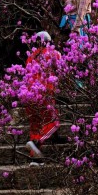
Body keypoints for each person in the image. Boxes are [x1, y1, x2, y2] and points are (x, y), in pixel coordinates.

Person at [24, 32, 60, 165]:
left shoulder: (30, 57)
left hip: (29, 95)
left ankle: (35, 159)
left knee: (35, 126)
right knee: (53, 123)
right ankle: (36, 143)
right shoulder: (54, 54)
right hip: (45, 94)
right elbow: (60, 70)